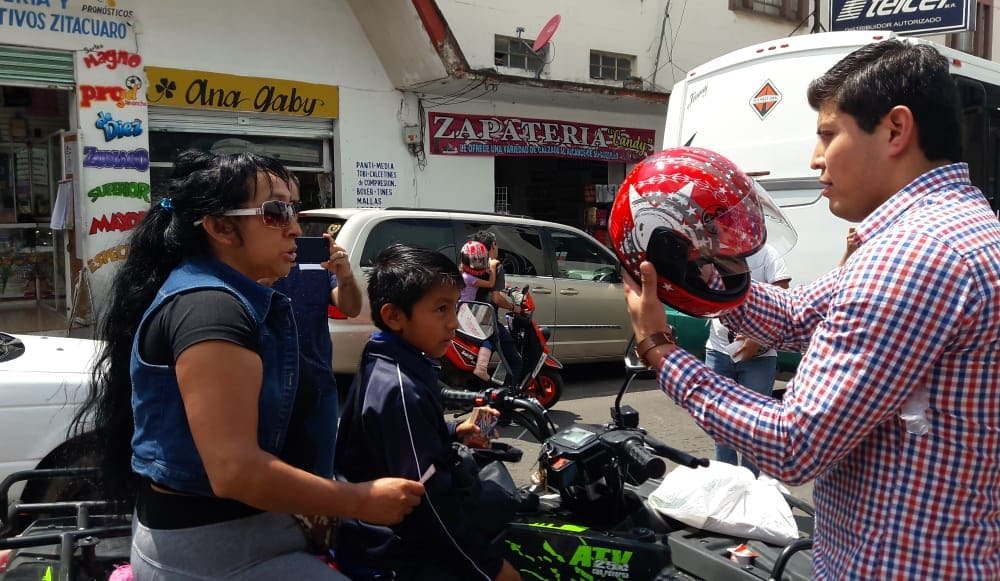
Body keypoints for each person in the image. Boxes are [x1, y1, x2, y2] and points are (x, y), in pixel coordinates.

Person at [621, 40, 1000, 578]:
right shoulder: (948, 229)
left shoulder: (915, 255)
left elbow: (793, 443)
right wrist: (713, 277)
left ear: (896, 130)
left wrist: (660, 351)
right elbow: (800, 314)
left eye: (827, 134)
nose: (815, 159)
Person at [72, 151, 423, 579]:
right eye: (275, 212)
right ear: (221, 227)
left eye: (294, 209)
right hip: (216, 552)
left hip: (249, 535)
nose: (295, 228)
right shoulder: (211, 309)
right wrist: (361, 500)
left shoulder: (238, 294)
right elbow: (235, 471)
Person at [335, 243, 520, 581]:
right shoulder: (401, 387)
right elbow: (430, 504)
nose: (453, 323)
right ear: (394, 316)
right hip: (397, 553)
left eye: (455, 308)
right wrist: (491, 569)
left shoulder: (389, 356)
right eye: (441, 309)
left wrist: (453, 430)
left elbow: (391, 440)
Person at [706, 244, 790, 476]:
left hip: (759, 357)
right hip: (718, 351)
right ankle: (727, 483)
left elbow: (784, 300)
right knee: (720, 424)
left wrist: (758, 337)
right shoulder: (714, 251)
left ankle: (750, 486)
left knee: (754, 426)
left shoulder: (768, 253)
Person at [471, 230, 523, 387]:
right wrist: (514, 307)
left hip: (468, 315)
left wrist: (506, 287)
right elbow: (496, 298)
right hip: (487, 319)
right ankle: (508, 395)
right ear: (493, 245)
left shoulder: (472, 263)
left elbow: (485, 286)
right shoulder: (495, 265)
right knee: (515, 361)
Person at [459, 240, 498, 381]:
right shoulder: (468, 277)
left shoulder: (464, 274)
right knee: (487, 337)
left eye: (481, 261)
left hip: (464, 309)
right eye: (475, 261)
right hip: (465, 311)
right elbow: (491, 284)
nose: (479, 264)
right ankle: (481, 367)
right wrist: (493, 266)